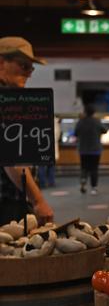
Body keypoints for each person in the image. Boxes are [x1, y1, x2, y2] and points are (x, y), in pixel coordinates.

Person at [0, 36, 54, 225]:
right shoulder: (7, 101)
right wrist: (38, 201)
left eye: (31, 68)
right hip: (7, 202)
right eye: (24, 66)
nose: (29, 73)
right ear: (1, 63)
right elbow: (12, 157)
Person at [75, 104, 107, 195]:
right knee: (94, 168)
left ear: (85, 112)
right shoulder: (97, 121)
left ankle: (83, 181)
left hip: (83, 149)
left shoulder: (81, 121)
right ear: (94, 112)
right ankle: (94, 188)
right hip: (95, 150)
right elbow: (105, 130)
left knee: (84, 167)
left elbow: (76, 133)